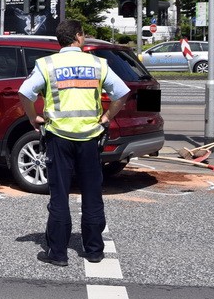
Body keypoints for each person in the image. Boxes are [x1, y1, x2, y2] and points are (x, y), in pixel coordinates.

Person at [18, 19, 130, 267]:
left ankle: (57, 253)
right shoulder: (97, 64)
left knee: (59, 195)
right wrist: (107, 117)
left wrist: (32, 118)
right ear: (78, 37)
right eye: (84, 34)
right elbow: (121, 93)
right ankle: (94, 250)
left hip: (58, 137)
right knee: (92, 193)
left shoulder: (47, 65)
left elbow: (25, 93)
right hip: (90, 137)